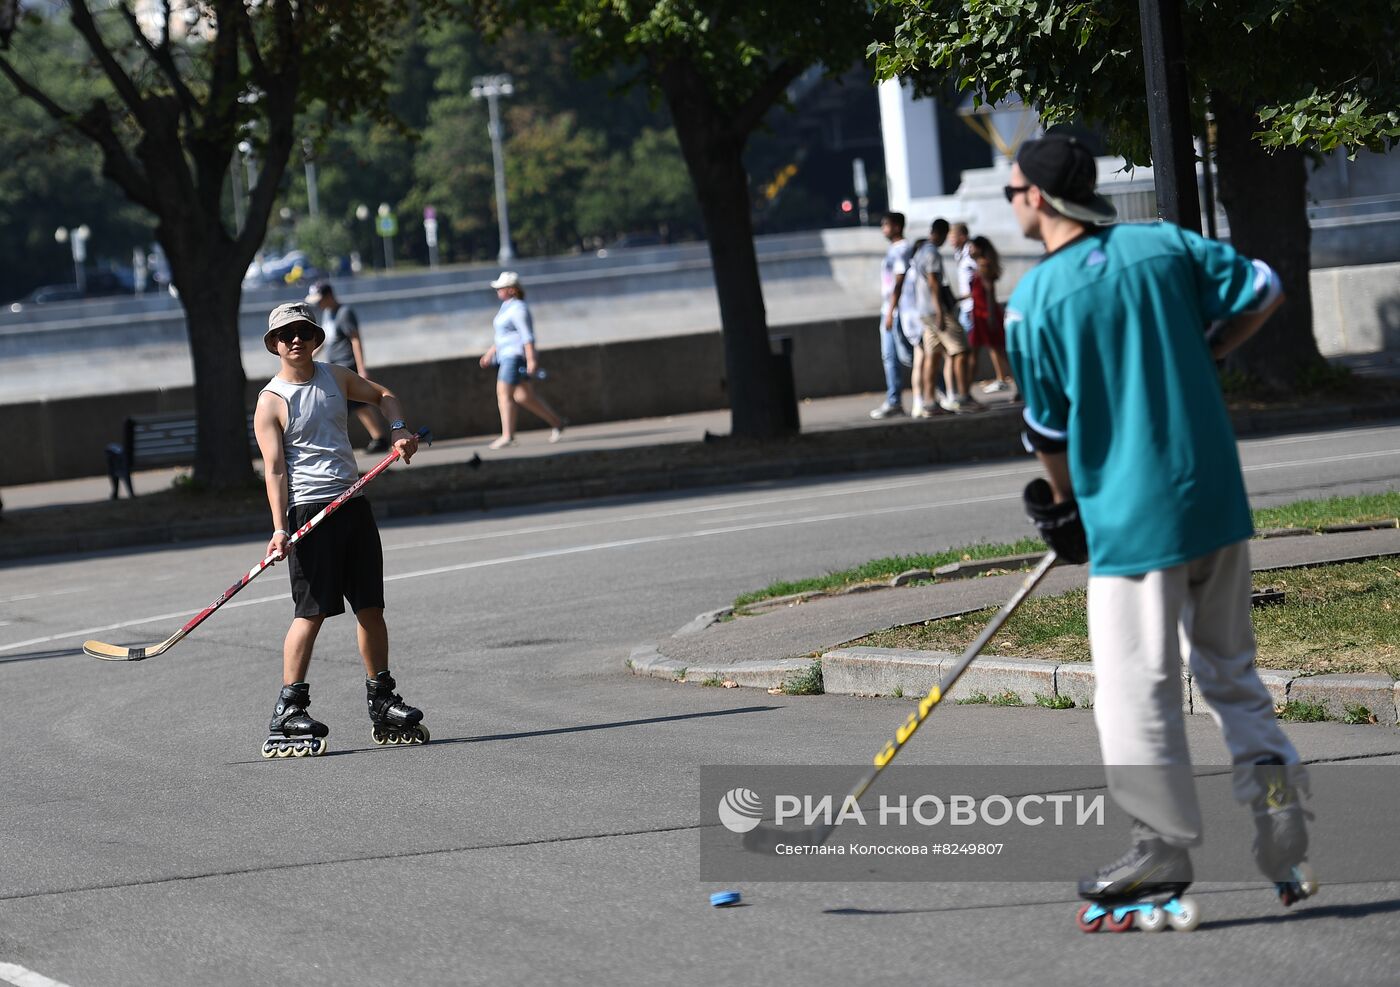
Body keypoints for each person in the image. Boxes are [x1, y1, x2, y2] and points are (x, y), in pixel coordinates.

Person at [1004, 134, 1315, 924]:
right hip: (1212, 497)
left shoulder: (1038, 301)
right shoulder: (1161, 246)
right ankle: (1278, 798)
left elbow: (1048, 431)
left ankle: (1161, 845)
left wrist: (1066, 508)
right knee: (1231, 671)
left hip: (1131, 521)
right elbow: (1264, 288)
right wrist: (1209, 348)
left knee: (1133, 692)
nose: (1010, 202)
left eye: (1013, 191)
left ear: (1038, 198)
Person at [253, 302, 429, 758]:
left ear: (315, 339)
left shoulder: (335, 378)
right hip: (310, 514)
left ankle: (382, 698)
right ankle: (289, 707)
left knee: (370, 606)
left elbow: (385, 395)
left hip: (353, 503)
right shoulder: (271, 402)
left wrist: (398, 428)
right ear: (274, 344)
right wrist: (278, 530)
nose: (296, 340)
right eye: (286, 334)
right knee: (311, 613)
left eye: (303, 333)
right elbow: (274, 471)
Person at [479, 271, 566, 449]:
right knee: (524, 396)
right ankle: (557, 422)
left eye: (500, 288)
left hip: (514, 357)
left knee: (504, 394)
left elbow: (527, 337)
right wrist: (490, 353)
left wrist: (531, 360)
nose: (497, 291)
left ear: (511, 290)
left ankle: (507, 436)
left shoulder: (519, 308)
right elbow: (503, 336)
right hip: (505, 356)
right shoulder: (507, 307)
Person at [306, 281, 391, 453]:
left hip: (346, 365)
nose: (318, 305)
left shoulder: (344, 313)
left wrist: (361, 368)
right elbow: (326, 340)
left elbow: (355, 339)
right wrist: (308, 356)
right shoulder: (328, 314)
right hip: (335, 367)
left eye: (319, 300)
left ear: (329, 296)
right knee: (358, 405)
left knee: (353, 404)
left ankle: (378, 438)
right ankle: (378, 438)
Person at [871, 212, 917, 419]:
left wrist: (891, 310)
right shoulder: (894, 249)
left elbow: (899, 280)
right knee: (890, 357)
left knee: (908, 356)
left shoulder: (903, 249)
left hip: (897, 311)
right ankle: (894, 401)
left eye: (886, 225)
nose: (883, 229)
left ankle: (943, 389)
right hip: (889, 310)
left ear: (897, 227)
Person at [908, 220, 954, 418]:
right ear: (942, 233)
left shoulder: (919, 254)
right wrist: (940, 311)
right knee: (959, 350)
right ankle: (958, 397)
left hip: (921, 313)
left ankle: (928, 402)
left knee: (930, 356)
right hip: (933, 311)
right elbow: (934, 283)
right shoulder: (931, 252)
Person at [968, 236, 1014, 395]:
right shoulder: (981, 265)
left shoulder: (983, 265)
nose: (970, 250)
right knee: (993, 347)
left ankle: (1003, 378)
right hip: (981, 312)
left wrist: (990, 315)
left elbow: (988, 292)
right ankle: (1003, 378)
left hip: (985, 313)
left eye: (972, 247)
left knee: (995, 347)